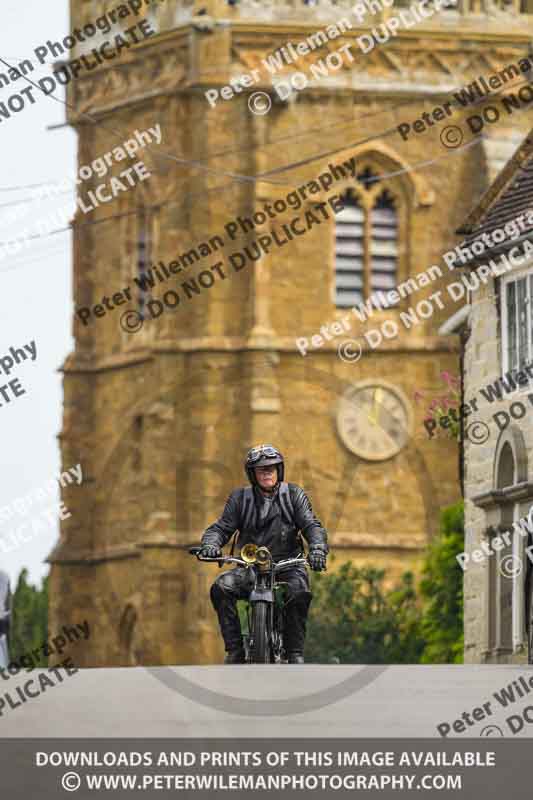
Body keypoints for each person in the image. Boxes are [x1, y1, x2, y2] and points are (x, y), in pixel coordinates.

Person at [200, 445, 329, 664]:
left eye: (271, 468)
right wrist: (210, 544)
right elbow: (221, 528)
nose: (267, 472)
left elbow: (311, 525)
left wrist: (317, 548)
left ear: (279, 470)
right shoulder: (240, 499)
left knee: (299, 592)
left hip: (288, 566)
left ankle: (295, 651)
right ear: (253, 474)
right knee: (221, 587)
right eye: (261, 469)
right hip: (249, 567)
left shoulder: (294, 495)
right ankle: (234, 649)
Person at [0, 569, 10, 669]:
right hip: (3, 615)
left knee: (2, 640)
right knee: (2, 640)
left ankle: (4, 665)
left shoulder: (3, 576)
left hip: (1, 616)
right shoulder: (4, 575)